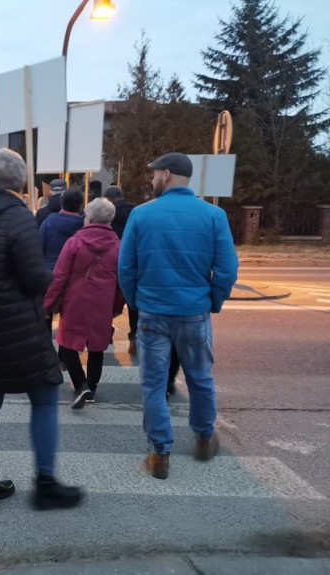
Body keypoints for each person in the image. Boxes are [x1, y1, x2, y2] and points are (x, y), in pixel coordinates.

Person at [0, 148, 83, 511]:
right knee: (43, 395)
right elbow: (31, 274)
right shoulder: (18, 215)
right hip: (12, 320)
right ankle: (45, 483)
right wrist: (56, 281)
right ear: (19, 180)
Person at [118, 152, 239, 480]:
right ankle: (203, 436)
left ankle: (160, 453)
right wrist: (212, 301)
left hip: (153, 313)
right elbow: (228, 269)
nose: (152, 180)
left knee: (154, 384)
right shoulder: (213, 215)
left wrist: (137, 303)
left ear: (167, 174)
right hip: (193, 312)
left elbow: (126, 268)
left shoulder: (142, 216)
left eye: (155, 174)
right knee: (200, 378)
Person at [44, 198, 121, 409]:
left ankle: (81, 384)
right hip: (103, 302)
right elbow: (122, 281)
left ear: (91, 218)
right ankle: (92, 388)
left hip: (76, 300)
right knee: (97, 347)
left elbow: (59, 277)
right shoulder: (117, 246)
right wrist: (117, 306)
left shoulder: (75, 243)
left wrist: (48, 304)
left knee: (67, 343)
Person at [103, 185, 138, 355]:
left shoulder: (107, 212)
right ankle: (134, 338)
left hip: (112, 261)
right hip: (134, 261)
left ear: (108, 199)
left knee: (108, 299)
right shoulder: (136, 211)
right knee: (134, 303)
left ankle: (106, 333)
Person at [39, 187, 85, 272]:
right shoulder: (85, 226)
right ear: (81, 205)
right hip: (76, 274)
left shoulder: (48, 223)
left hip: (51, 271)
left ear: (62, 203)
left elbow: (38, 249)